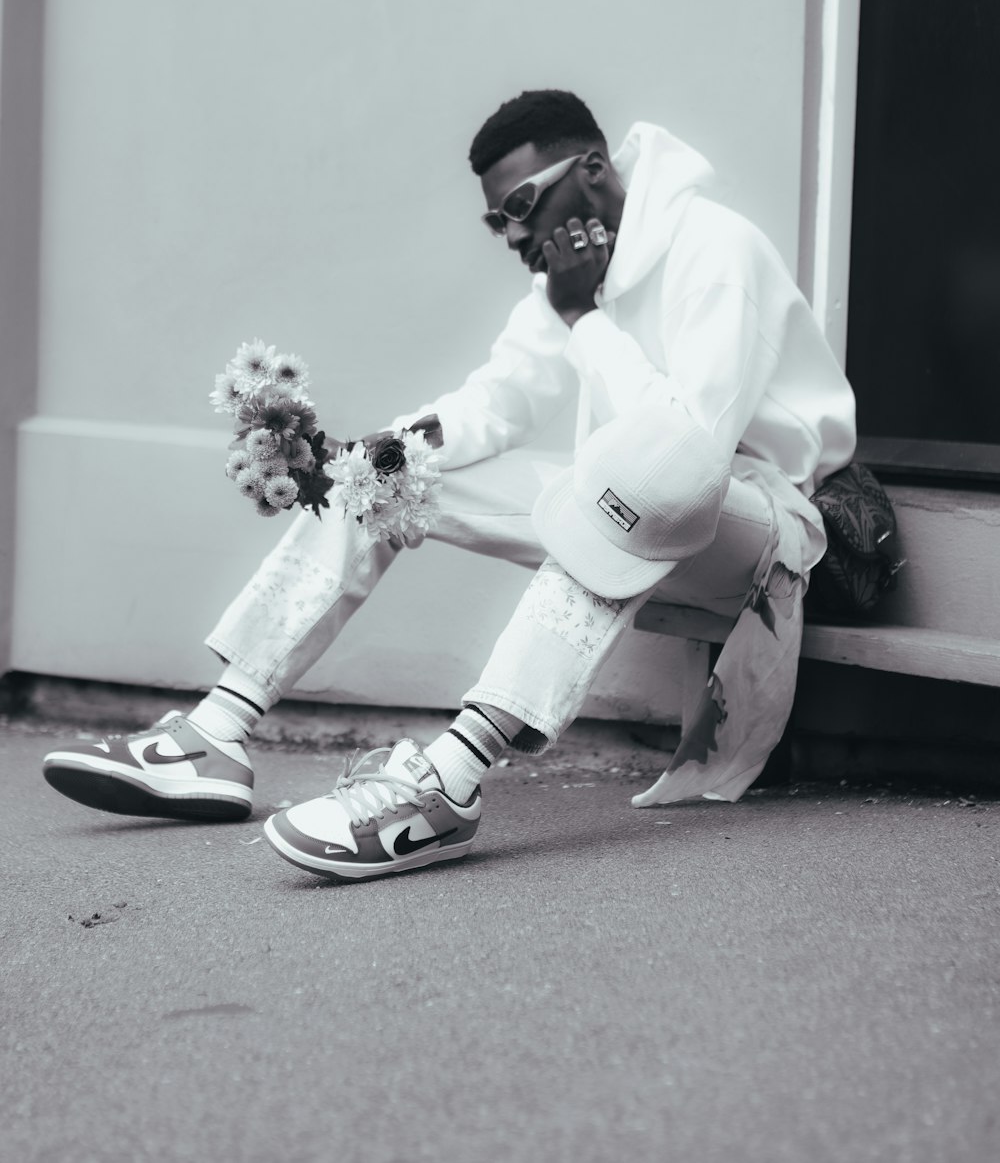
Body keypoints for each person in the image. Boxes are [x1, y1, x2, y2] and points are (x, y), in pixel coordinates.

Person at [42, 90, 856, 880]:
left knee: (622, 483)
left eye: (525, 203)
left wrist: (587, 320)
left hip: (763, 532)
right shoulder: (570, 276)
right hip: (628, 500)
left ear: (597, 170)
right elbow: (496, 402)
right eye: (497, 218)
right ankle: (216, 732)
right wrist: (380, 449)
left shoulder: (716, 251)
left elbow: (687, 454)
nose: (513, 233)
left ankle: (450, 781)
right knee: (389, 476)